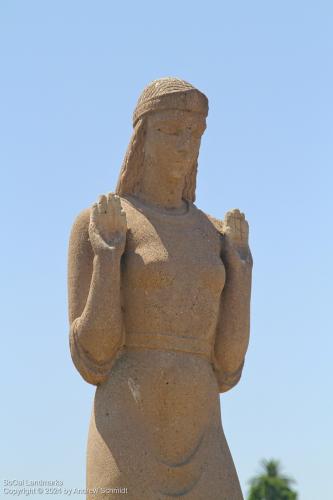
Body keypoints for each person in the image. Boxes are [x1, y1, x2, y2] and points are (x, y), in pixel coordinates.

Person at [68, 77, 253, 499]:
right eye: (172, 132)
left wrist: (240, 268)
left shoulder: (215, 236)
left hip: (203, 432)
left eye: (195, 134)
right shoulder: (97, 223)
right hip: (127, 431)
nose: (185, 145)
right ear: (142, 138)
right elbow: (94, 357)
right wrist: (109, 254)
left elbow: (227, 366)